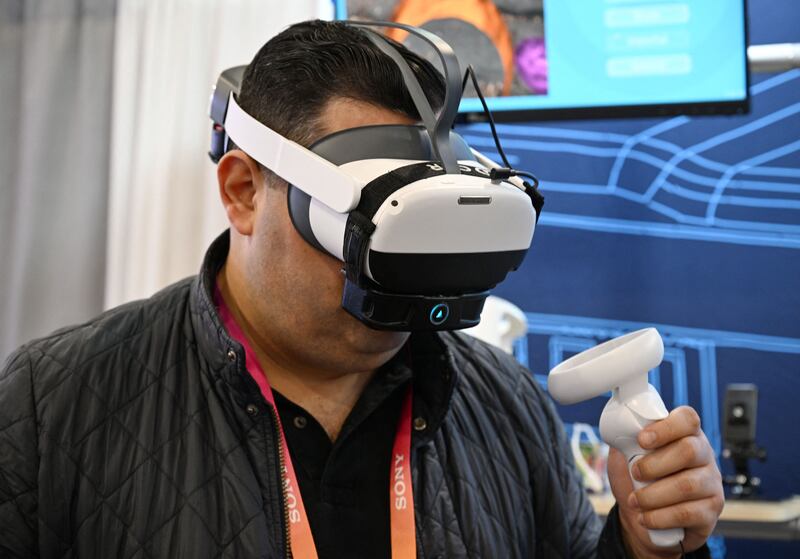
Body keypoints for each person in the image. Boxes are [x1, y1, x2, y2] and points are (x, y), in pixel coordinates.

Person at [0, 20, 723, 558]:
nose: (399, 275)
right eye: (368, 221)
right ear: (244, 190)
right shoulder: (56, 403)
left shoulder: (505, 405)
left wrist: (636, 543)